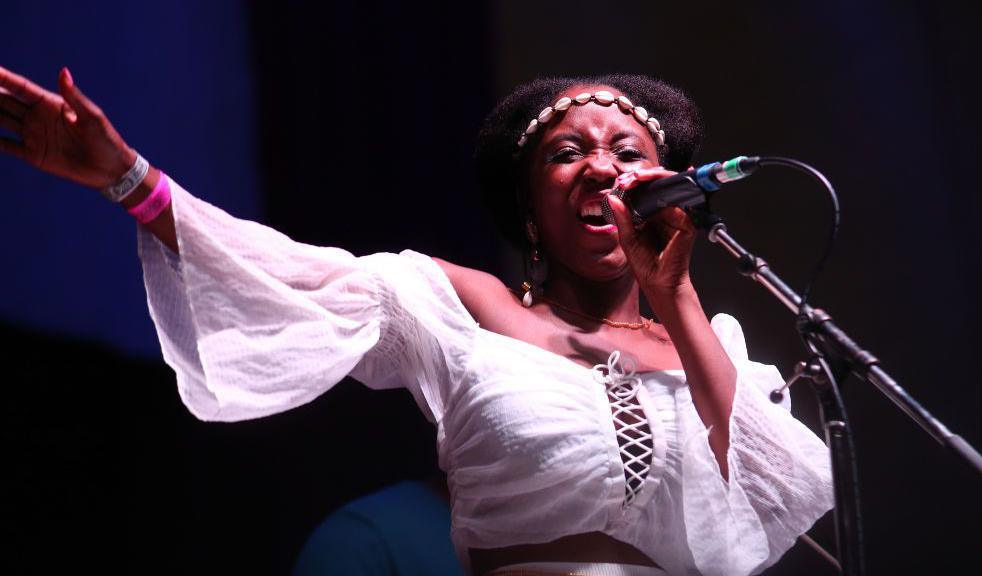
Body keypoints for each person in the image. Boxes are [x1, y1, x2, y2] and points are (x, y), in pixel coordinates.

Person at [0, 66, 834, 575]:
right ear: (530, 213)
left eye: (626, 152)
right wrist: (132, 183)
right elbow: (279, 272)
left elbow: (775, 494)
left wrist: (676, 294)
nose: (601, 169)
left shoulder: (710, 345)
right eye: (567, 151)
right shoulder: (455, 302)